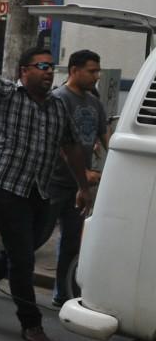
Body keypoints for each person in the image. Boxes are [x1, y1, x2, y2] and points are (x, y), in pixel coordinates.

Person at [0, 46, 91, 341]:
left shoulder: (58, 107)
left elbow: (71, 149)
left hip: (40, 192)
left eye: (50, 66)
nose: (47, 71)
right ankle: (31, 323)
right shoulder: (8, 93)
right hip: (5, 188)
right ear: (23, 71)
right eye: (40, 65)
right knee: (22, 258)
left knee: (18, 253)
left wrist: (83, 186)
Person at [48, 50, 110, 307]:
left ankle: (62, 293)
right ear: (74, 70)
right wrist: (82, 172)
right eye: (92, 71)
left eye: (98, 71)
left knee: (72, 242)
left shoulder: (94, 103)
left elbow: (105, 136)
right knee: (32, 238)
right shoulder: (58, 99)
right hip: (52, 182)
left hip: (78, 187)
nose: (96, 76)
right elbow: (58, 144)